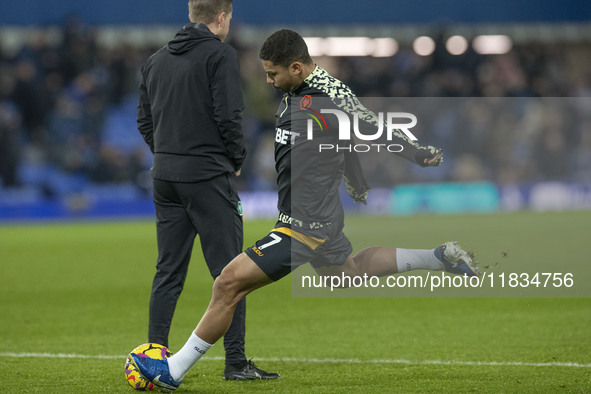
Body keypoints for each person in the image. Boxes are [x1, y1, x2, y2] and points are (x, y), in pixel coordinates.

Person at [131, 29, 479, 391]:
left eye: (273, 74)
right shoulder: (299, 92)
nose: (268, 80)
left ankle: (173, 371)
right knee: (349, 272)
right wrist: (354, 179)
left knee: (228, 283)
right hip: (316, 216)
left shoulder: (329, 98)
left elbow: (373, 128)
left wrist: (418, 153)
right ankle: (438, 258)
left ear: (296, 67)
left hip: (305, 222)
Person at [136, 0, 277, 381]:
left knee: (168, 270)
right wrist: (234, 158)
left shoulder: (155, 60)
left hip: (165, 176)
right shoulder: (220, 56)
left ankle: (151, 357)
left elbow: (143, 121)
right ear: (221, 17)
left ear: (190, 14)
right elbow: (229, 114)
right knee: (233, 272)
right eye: (229, 17)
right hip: (208, 175)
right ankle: (235, 363)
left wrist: (167, 154)